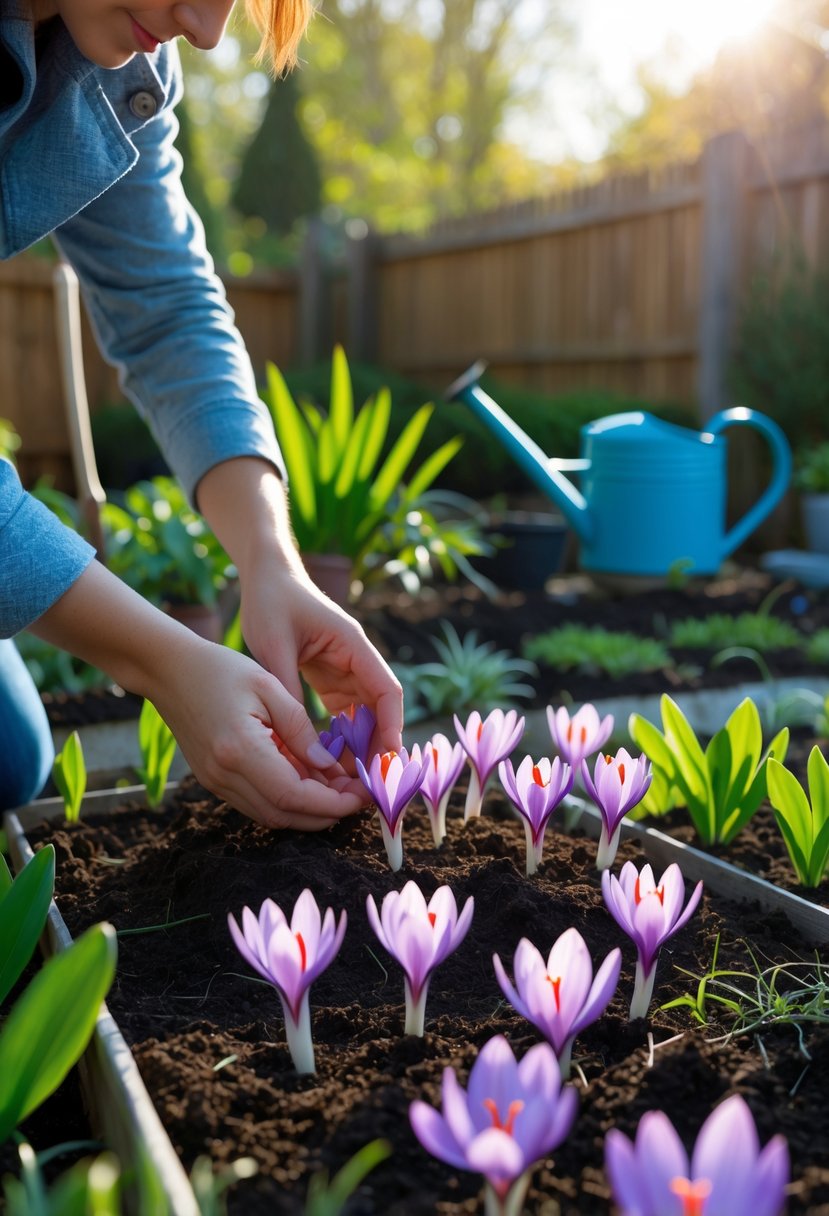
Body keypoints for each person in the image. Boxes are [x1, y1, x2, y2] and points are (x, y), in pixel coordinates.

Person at [0, 0, 404, 825]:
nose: (208, 27)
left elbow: (168, 310)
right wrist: (163, 663)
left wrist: (269, 558)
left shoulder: (124, 71)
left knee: (11, 760)